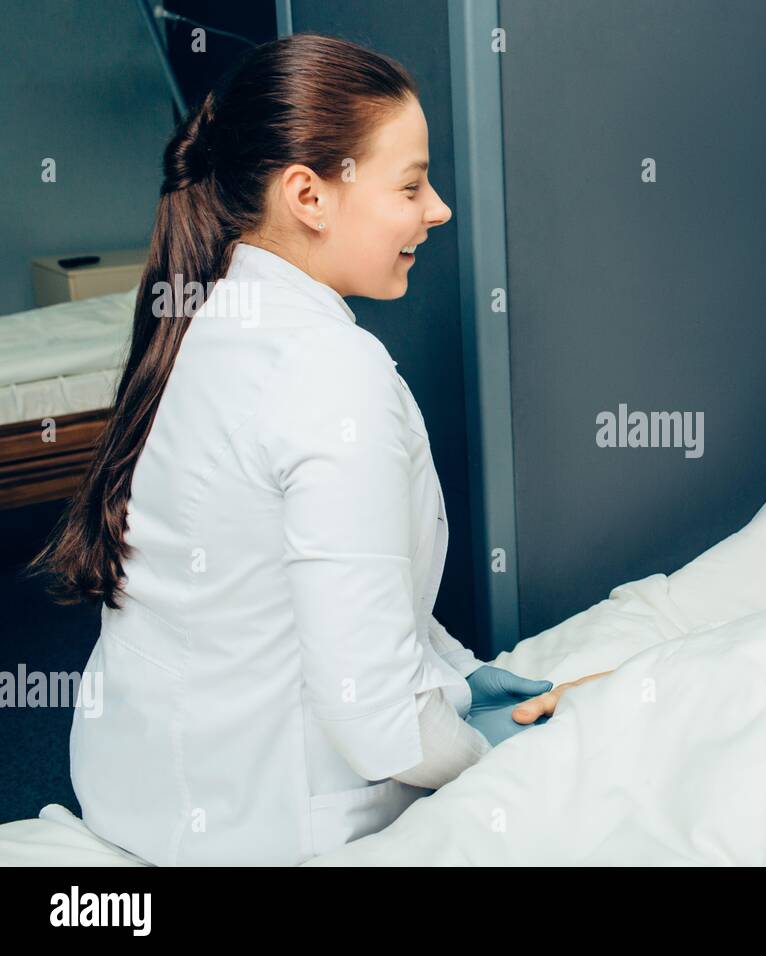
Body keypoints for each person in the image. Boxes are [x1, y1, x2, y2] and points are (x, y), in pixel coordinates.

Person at [24, 34, 596, 866]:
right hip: (261, 828)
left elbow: (300, 594)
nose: (437, 209)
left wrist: (459, 677)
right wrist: (488, 755)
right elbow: (373, 714)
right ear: (309, 196)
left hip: (136, 786)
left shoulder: (206, 316)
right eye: (411, 185)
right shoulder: (328, 373)